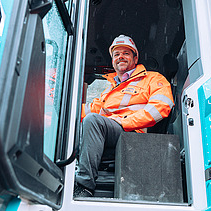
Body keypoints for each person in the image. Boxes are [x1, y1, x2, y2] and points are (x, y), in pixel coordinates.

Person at [74, 35, 174, 197]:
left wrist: (123, 121)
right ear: (113, 61)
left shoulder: (152, 79)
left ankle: (84, 186)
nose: (120, 57)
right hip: (109, 131)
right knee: (75, 124)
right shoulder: (110, 89)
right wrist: (53, 112)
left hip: (134, 134)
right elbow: (90, 110)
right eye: (116, 54)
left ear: (135, 58)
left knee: (93, 122)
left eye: (126, 53)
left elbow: (161, 107)